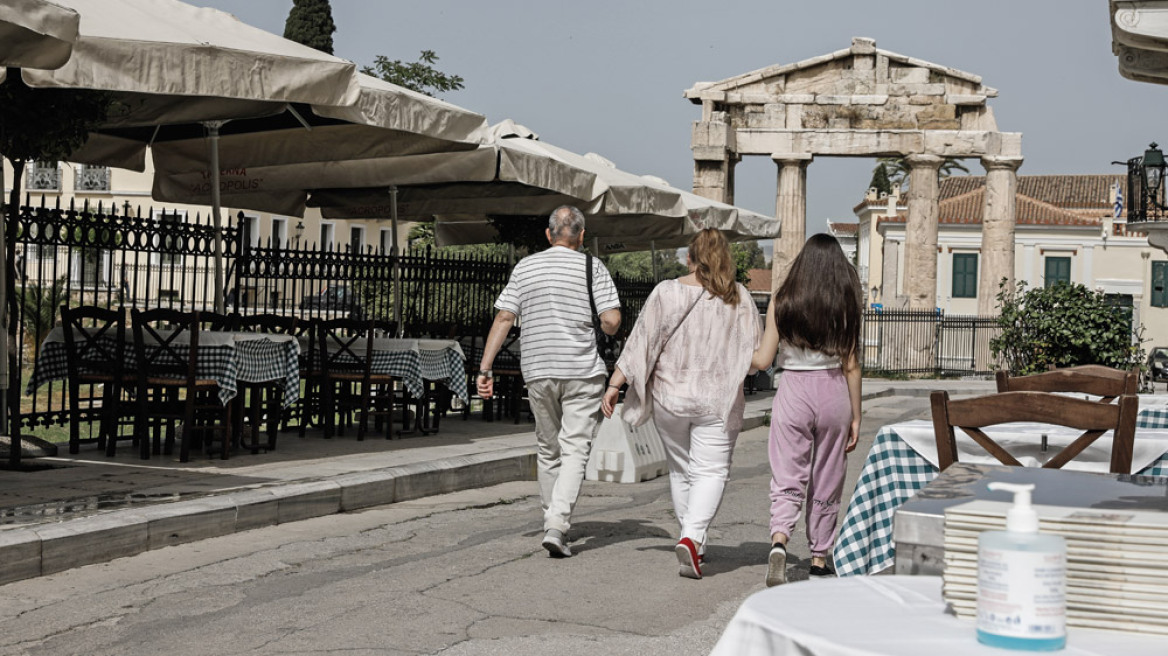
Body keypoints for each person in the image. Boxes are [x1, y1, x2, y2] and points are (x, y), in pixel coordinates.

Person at [602, 229, 760, 580]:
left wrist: (615, 384)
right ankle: (692, 537)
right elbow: (753, 358)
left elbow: (640, 342)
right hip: (716, 401)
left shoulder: (666, 292)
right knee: (711, 471)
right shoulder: (740, 298)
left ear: (689, 258)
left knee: (681, 469)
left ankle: (693, 544)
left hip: (671, 398)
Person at [477, 206, 621, 558]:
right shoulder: (592, 267)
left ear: (548, 234)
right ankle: (557, 524)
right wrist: (602, 324)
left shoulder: (526, 267)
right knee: (575, 449)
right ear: (582, 235)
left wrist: (485, 367)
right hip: (581, 371)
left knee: (547, 447)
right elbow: (612, 321)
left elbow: (505, 316)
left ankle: (550, 520)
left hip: (538, 369)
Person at [751, 233, 862, 586]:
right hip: (832, 390)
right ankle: (818, 557)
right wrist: (857, 415)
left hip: (794, 388)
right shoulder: (845, 303)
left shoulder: (783, 301)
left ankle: (780, 540)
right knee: (828, 474)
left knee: (787, 473)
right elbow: (852, 365)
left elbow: (764, 360)